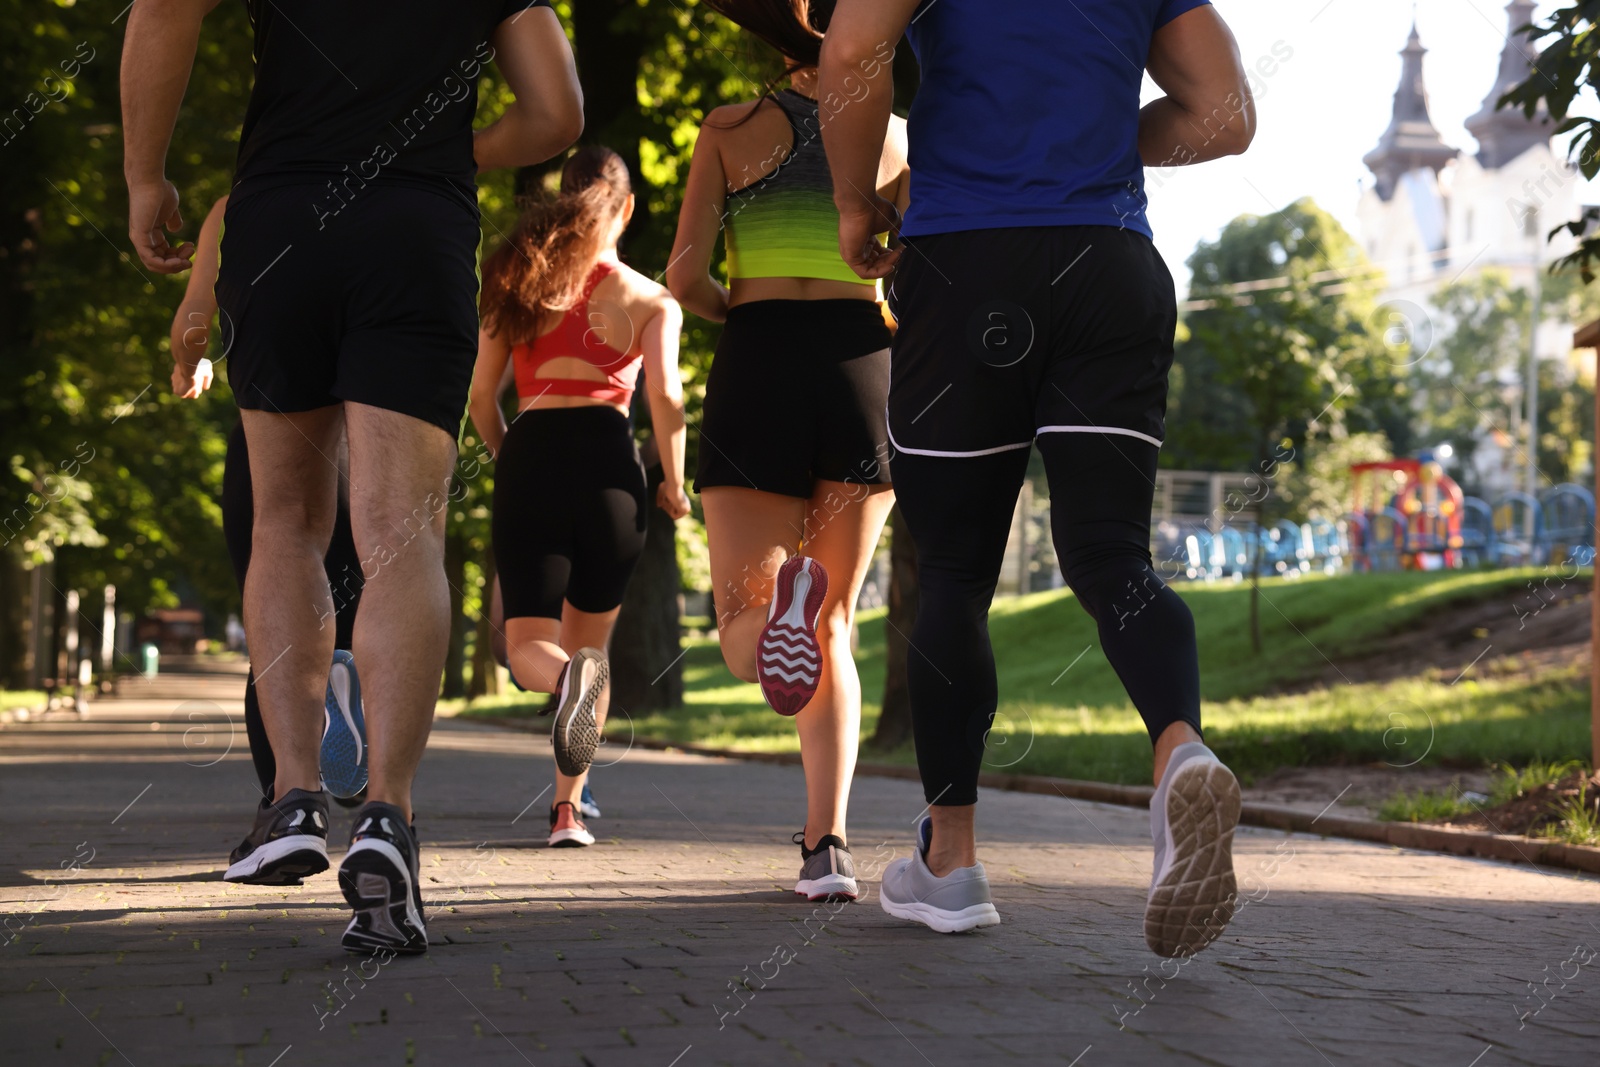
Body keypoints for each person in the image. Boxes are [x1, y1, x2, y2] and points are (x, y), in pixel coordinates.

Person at [123, 0, 584, 955]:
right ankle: (387, 817)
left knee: (286, 521)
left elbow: (164, 8)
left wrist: (145, 177)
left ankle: (293, 795)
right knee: (399, 531)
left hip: (279, 217)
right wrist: (444, 147)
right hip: (414, 225)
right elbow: (557, 114)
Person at [819, 0, 1255, 956]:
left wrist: (856, 200)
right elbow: (1226, 117)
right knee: (1111, 557)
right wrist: (1095, 138)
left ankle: (953, 861)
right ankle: (1181, 748)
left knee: (958, 574)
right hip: (1111, 266)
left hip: (967, 263)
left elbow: (853, 48)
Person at [668, 0, 908, 902]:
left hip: (761, 358)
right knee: (837, 623)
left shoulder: (730, 130)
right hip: (861, 367)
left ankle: (775, 623)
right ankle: (827, 850)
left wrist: (749, 313)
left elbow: (685, 273)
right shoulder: (898, 139)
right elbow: (914, 266)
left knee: (746, 617)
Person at [469, 145, 689, 849]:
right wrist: (676, 486)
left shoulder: (517, 279)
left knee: (529, 643)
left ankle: (567, 685)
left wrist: (513, 457)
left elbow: (479, 397)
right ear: (625, 209)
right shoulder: (653, 300)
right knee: (591, 646)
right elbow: (667, 397)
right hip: (611, 469)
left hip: (533, 451)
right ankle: (567, 812)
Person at [168, 194, 370, 885]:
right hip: (369, 446)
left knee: (276, 624)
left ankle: (286, 807)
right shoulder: (403, 178)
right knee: (352, 606)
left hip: (270, 441)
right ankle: (350, 679)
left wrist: (190, 359)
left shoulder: (235, 207)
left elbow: (194, 320)